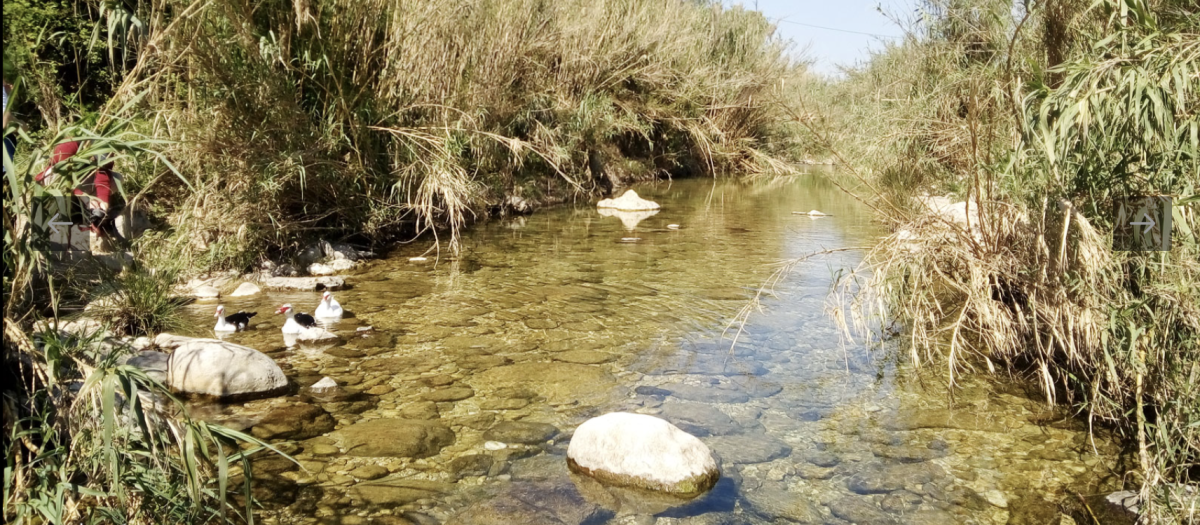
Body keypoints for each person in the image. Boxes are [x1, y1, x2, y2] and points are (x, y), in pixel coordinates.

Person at [36, 140, 126, 244]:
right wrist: (87, 201)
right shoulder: (69, 145)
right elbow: (66, 176)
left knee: (117, 179)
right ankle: (71, 208)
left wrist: (102, 202)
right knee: (61, 180)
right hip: (58, 176)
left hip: (84, 177)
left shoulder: (105, 148)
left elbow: (103, 176)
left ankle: (89, 212)